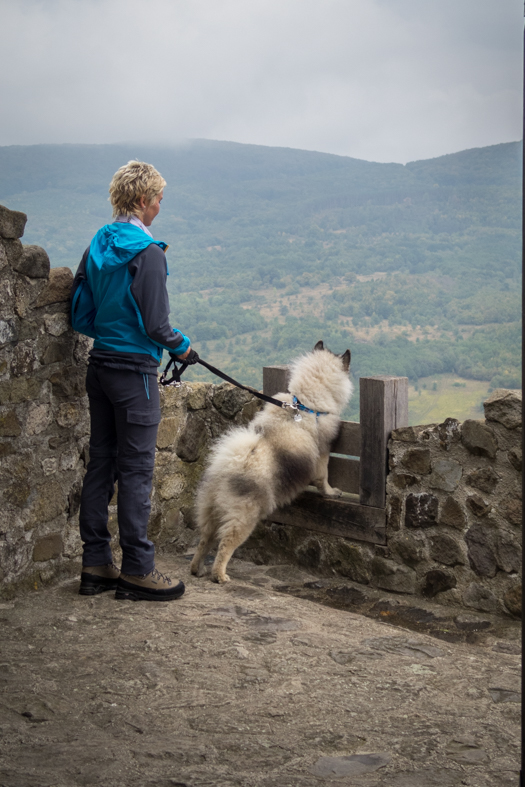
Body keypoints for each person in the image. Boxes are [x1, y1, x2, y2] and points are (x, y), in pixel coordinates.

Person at [70, 160, 197, 602]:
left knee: (101, 463)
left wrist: (110, 330)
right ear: (143, 200)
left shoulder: (98, 242)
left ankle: (96, 565)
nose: (161, 205)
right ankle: (138, 571)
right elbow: (159, 325)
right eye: (159, 198)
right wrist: (183, 348)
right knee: (138, 471)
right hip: (135, 373)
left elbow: (80, 308)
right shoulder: (150, 253)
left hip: (99, 366)